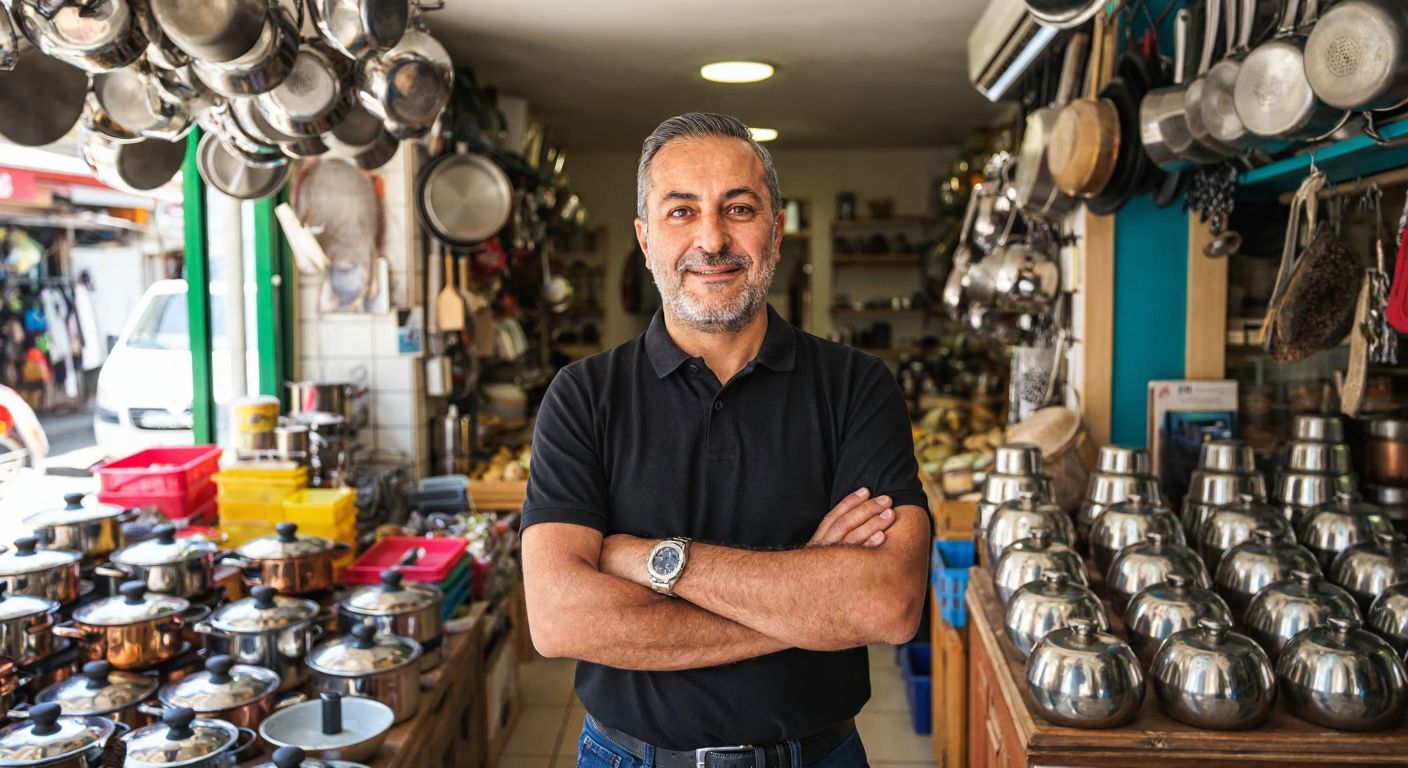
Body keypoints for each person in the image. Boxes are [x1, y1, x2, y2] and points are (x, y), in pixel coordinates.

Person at [520, 112, 929, 768]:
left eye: (738, 208)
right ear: (645, 238)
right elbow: (560, 620)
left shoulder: (857, 386)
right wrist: (804, 602)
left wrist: (657, 561)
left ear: (776, 227)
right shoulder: (582, 396)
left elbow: (886, 604)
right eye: (681, 211)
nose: (711, 239)